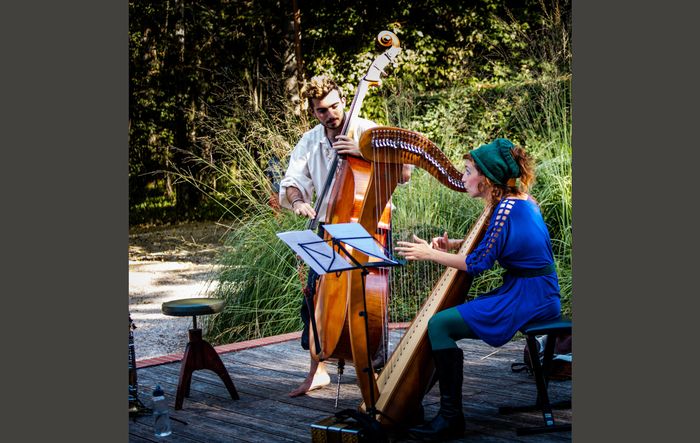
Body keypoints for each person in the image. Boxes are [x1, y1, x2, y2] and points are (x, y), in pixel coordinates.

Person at [395, 138, 562, 440]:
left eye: (468, 170)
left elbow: (479, 263)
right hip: (537, 290)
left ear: (486, 179)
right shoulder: (519, 201)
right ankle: (445, 413)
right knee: (444, 323)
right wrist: (454, 246)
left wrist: (430, 254)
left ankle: (450, 418)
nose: (462, 176)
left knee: (440, 324)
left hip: (529, 296)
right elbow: (498, 244)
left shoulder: (505, 209)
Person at [278, 74, 379, 397]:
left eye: (335, 106)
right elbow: (292, 180)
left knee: (369, 303)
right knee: (313, 298)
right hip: (326, 228)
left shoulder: (367, 130)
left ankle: (375, 376)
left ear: (344, 100)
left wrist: (364, 153)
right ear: (313, 112)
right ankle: (317, 370)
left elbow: (404, 172)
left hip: (367, 229)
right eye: (322, 110)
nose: (331, 114)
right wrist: (298, 202)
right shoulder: (310, 141)